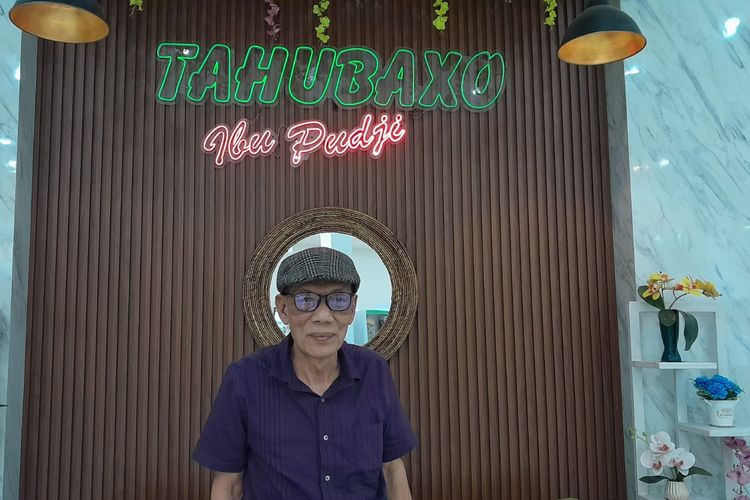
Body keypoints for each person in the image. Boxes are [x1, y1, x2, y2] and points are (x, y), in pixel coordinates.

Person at [193, 246, 418, 500]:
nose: (323, 316)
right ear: (283, 309)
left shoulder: (373, 372)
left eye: (338, 300)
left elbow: (392, 470)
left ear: (352, 307)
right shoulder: (244, 380)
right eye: (306, 300)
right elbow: (229, 485)